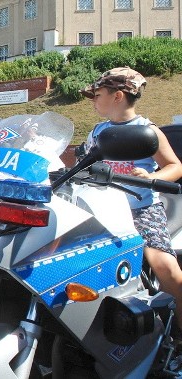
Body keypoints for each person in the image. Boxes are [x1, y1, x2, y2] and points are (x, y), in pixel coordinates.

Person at [81, 66, 182, 332]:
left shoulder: (147, 130)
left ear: (118, 96)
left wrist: (151, 177)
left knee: (166, 268)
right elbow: (83, 166)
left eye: (98, 94)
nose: (93, 100)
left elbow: (175, 166)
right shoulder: (98, 132)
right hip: (102, 209)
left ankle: (179, 336)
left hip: (141, 208)